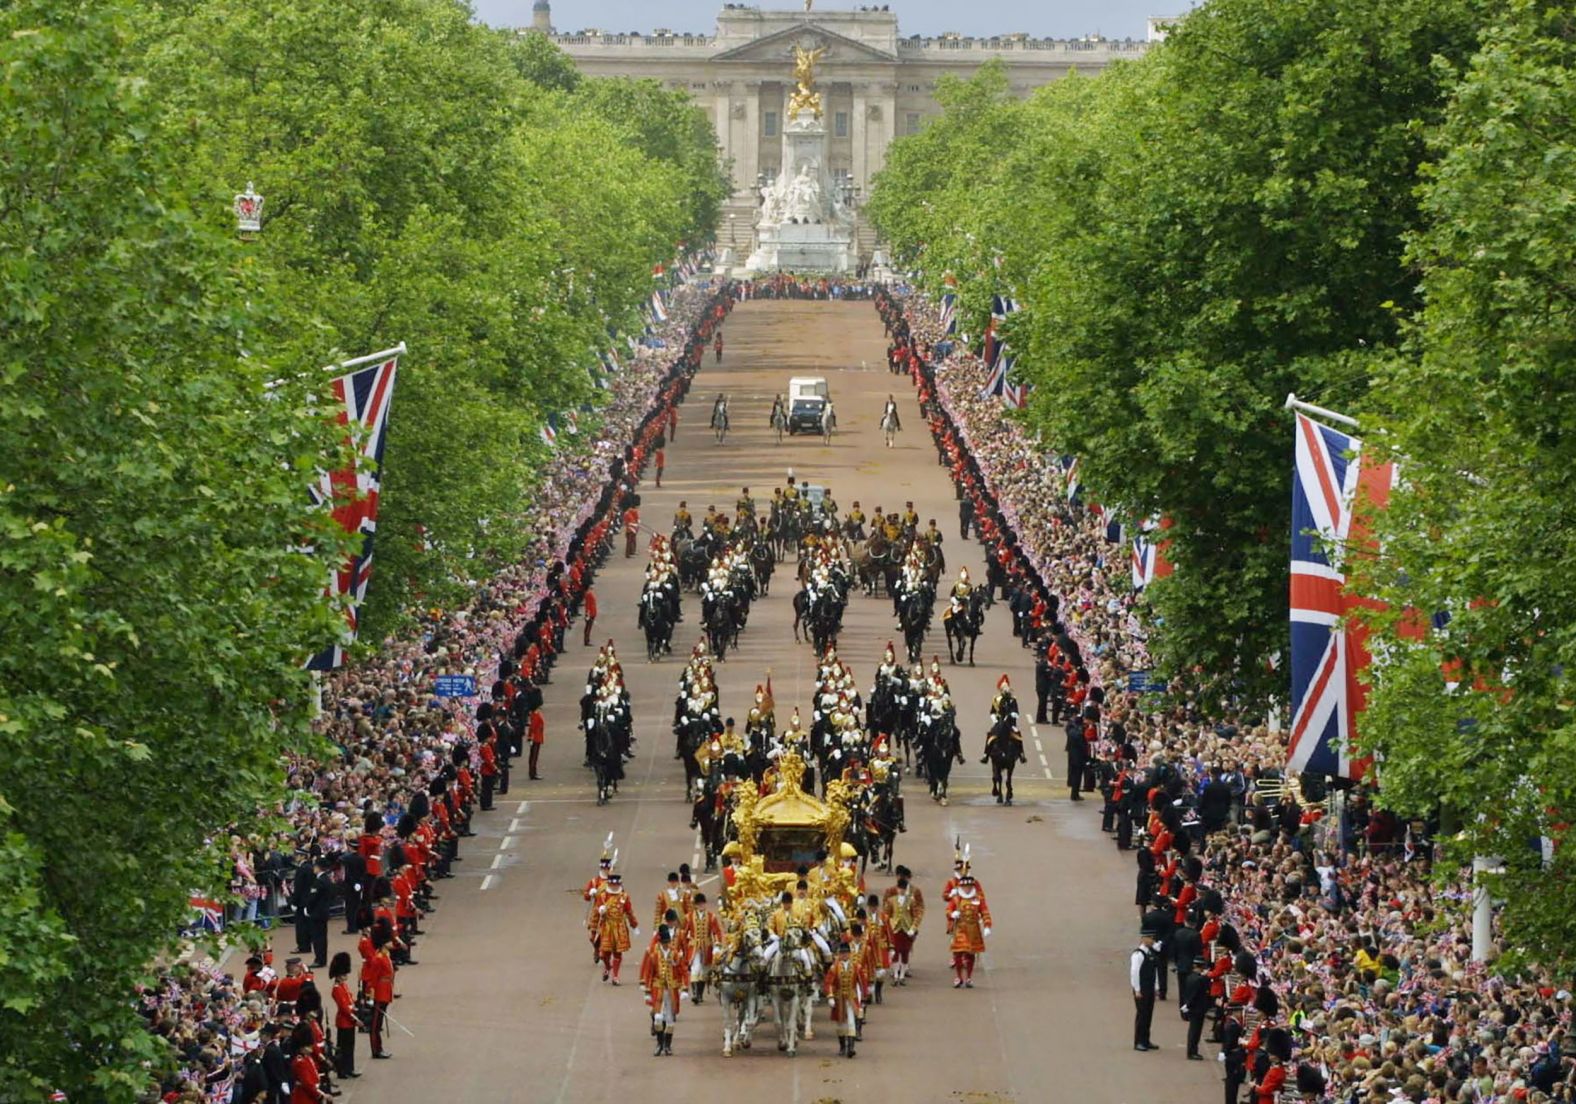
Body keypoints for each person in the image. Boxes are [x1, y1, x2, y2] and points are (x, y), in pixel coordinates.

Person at [640, 924, 688, 1056]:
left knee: (670, 1019)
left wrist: (685, 988)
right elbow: (648, 973)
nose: (667, 945)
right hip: (658, 989)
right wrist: (647, 992)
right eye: (664, 942)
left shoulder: (675, 954)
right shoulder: (654, 954)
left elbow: (683, 970)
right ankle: (659, 1044)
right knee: (658, 1018)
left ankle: (667, 1045)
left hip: (671, 991)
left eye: (668, 942)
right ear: (660, 942)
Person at [946, 873, 990, 988]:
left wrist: (987, 925)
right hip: (960, 929)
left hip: (973, 930)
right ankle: (959, 977)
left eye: (970, 886)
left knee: (971, 954)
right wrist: (952, 914)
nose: (967, 889)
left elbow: (984, 912)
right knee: (958, 954)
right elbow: (948, 910)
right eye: (965, 887)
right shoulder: (956, 898)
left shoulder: (978, 898)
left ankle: (969, 977)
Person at [882, 866, 924, 985]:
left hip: (909, 925)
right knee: (895, 950)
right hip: (895, 926)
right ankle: (897, 972)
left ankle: (904, 969)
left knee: (906, 949)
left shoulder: (915, 891)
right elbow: (886, 907)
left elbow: (919, 908)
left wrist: (914, 925)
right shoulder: (891, 891)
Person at [824, 940, 864, 1058]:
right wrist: (830, 996)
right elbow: (829, 983)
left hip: (851, 997)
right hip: (839, 998)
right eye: (842, 953)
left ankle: (851, 1048)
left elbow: (861, 982)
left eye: (846, 953)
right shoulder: (834, 968)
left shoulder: (856, 966)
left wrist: (864, 996)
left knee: (851, 1022)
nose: (844, 955)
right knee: (841, 1024)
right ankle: (842, 1046)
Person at [329, 952, 360, 1081]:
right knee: (343, 1047)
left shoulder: (343, 986)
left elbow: (350, 1002)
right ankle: (342, 1069)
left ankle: (349, 1068)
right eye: (343, 974)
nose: (345, 976)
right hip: (344, 1021)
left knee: (350, 1046)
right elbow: (344, 1007)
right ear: (338, 976)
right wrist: (355, 1018)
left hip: (349, 1020)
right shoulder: (336, 988)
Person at [1130, 926, 1160, 1052]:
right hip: (1141, 989)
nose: (1152, 940)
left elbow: (1155, 971)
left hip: (1149, 988)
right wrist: (1137, 989)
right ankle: (1139, 1042)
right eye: (1150, 938)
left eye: (1153, 938)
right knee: (1142, 1015)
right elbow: (1134, 972)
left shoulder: (1151, 952)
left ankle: (1146, 1040)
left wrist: (1156, 986)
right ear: (1143, 939)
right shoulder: (1138, 954)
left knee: (1148, 1015)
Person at [527, 707, 545, 780]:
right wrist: (531, 736)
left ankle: (532, 772)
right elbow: (533, 727)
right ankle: (533, 773)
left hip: (535, 737)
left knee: (532, 756)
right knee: (534, 757)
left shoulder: (534, 714)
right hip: (536, 738)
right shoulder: (536, 715)